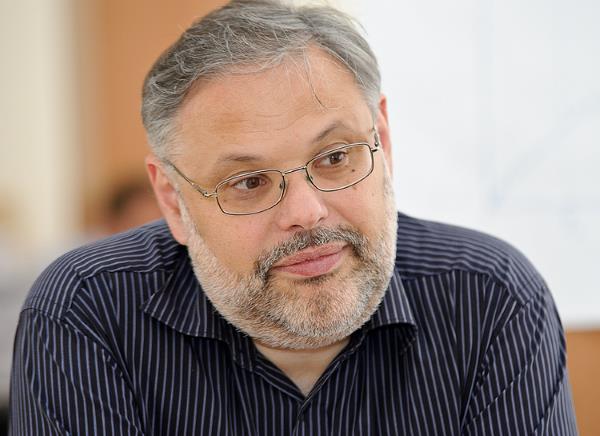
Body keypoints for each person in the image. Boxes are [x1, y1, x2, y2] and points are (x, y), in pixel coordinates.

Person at [9, 0, 578, 434]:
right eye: (248, 182)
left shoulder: (491, 296)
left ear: (382, 141)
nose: (307, 212)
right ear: (173, 201)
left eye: (335, 157)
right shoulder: (87, 312)